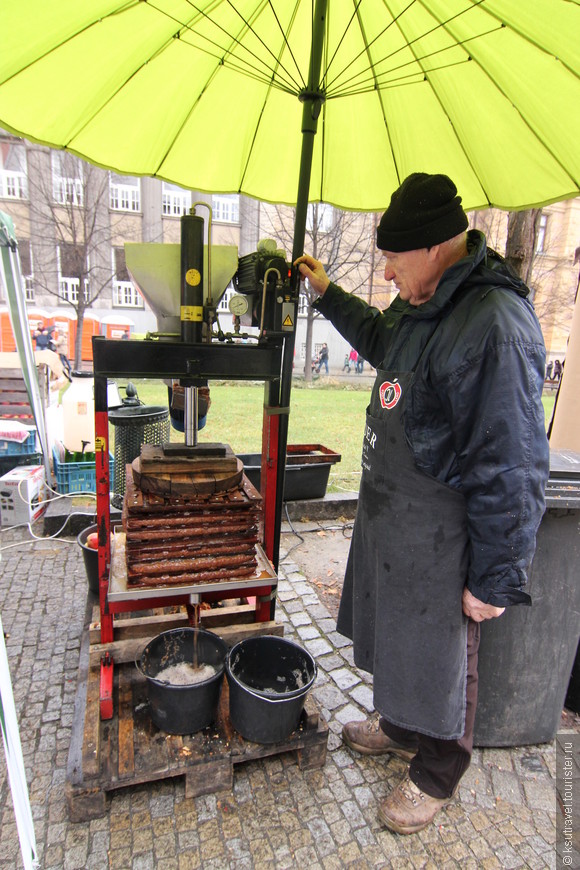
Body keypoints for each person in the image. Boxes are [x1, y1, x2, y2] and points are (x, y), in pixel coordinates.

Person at [295, 172, 549, 835]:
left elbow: (514, 462)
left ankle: (436, 774)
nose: (386, 270)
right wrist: (325, 292)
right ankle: (402, 726)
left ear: (436, 246)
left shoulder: (495, 324)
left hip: (444, 533)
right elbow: (384, 339)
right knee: (396, 635)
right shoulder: (424, 300)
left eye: (394, 257)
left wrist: (495, 576)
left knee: (441, 655)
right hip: (395, 519)